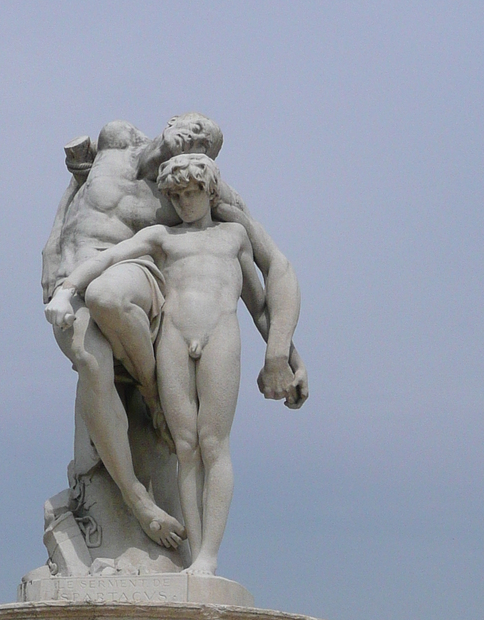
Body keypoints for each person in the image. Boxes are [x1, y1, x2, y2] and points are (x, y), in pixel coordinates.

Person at [41, 115, 308, 549]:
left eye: (202, 143)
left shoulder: (220, 213)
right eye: (189, 131)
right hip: (95, 290)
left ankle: (204, 556)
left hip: (169, 304)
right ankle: (143, 506)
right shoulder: (120, 149)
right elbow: (77, 222)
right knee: (173, 435)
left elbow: (268, 279)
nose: (184, 199)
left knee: (210, 443)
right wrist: (64, 282)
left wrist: (283, 354)